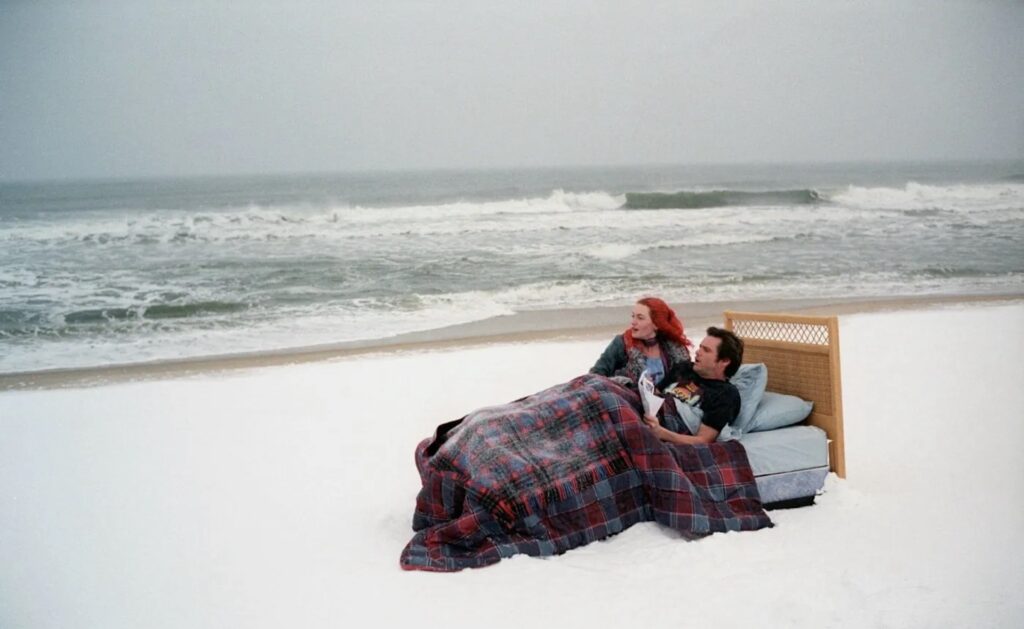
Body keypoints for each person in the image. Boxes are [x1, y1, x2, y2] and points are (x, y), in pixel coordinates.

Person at [642, 326, 744, 445]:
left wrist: (661, 433)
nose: (697, 352)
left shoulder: (725, 394)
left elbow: (703, 440)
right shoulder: (684, 368)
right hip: (651, 413)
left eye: (706, 350)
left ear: (724, 361)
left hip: (669, 425)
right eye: (700, 347)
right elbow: (656, 393)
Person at [589, 297, 692, 387]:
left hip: (665, 403)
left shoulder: (674, 348)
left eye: (640, 318)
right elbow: (595, 374)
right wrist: (623, 383)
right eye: (633, 316)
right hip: (627, 402)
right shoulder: (621, 343)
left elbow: (686, 380)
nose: (633, 322)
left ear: (657, 324)